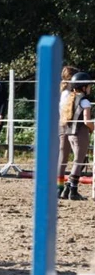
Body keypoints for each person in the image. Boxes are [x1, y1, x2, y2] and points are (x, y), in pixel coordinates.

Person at [59, 72, 94, 200]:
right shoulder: (85, 101)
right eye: (89, 86)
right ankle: (73, 190)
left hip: (69, 133)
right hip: (81, 133)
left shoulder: (70, 99)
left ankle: (67, 189)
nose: (90, 88)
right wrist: (92, 128)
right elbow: (87, 121)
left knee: (76, 161)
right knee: (78, 162)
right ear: (83, 87)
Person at [57, 65, 79, 198]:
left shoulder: (65, 92)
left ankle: (61, 187)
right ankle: (67, 186)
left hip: (62, 124)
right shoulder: (68, 94)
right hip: (68, 125)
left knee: (63, 157)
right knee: (68, 157)